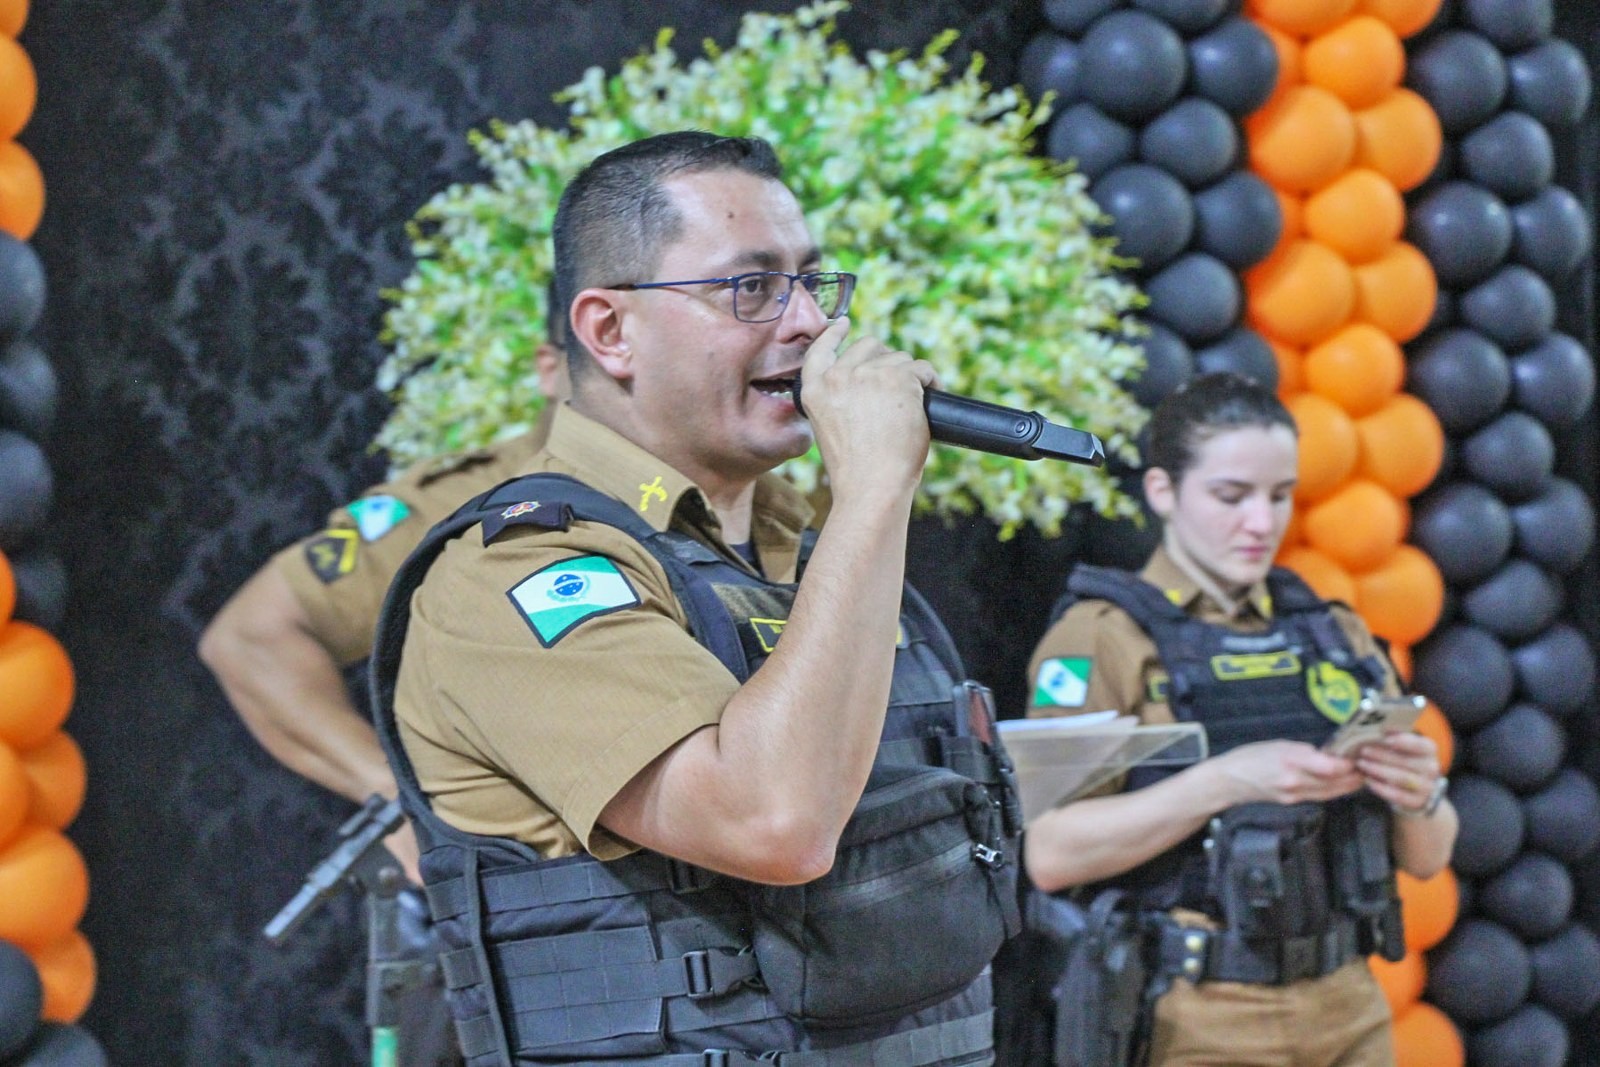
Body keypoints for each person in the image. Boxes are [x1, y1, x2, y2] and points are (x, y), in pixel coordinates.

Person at [368, 131, 1022, 1066]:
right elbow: (775, 823)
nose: (810, 324)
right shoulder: (514, 573)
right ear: (610, 331)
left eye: (812, 282)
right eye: (751, 287)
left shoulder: (809, 556)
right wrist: (876, 487)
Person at [1022, 373, 1458, 1067]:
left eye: (1280, 495)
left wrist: (1419, 793)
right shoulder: (1102, 636)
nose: (1261, 522)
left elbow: (1429, 857)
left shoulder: (1332, 632)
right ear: (1163, 490)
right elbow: (1048, 855)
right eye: (1231, 496)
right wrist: (1224, 782)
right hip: (1194, 1015)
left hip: (1349, 1003)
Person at [198, 307, 569, 880]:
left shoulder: (710, 492)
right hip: (549, 887)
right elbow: (252, 638)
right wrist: (402, 804)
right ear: (552, 367)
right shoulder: (460, 500)